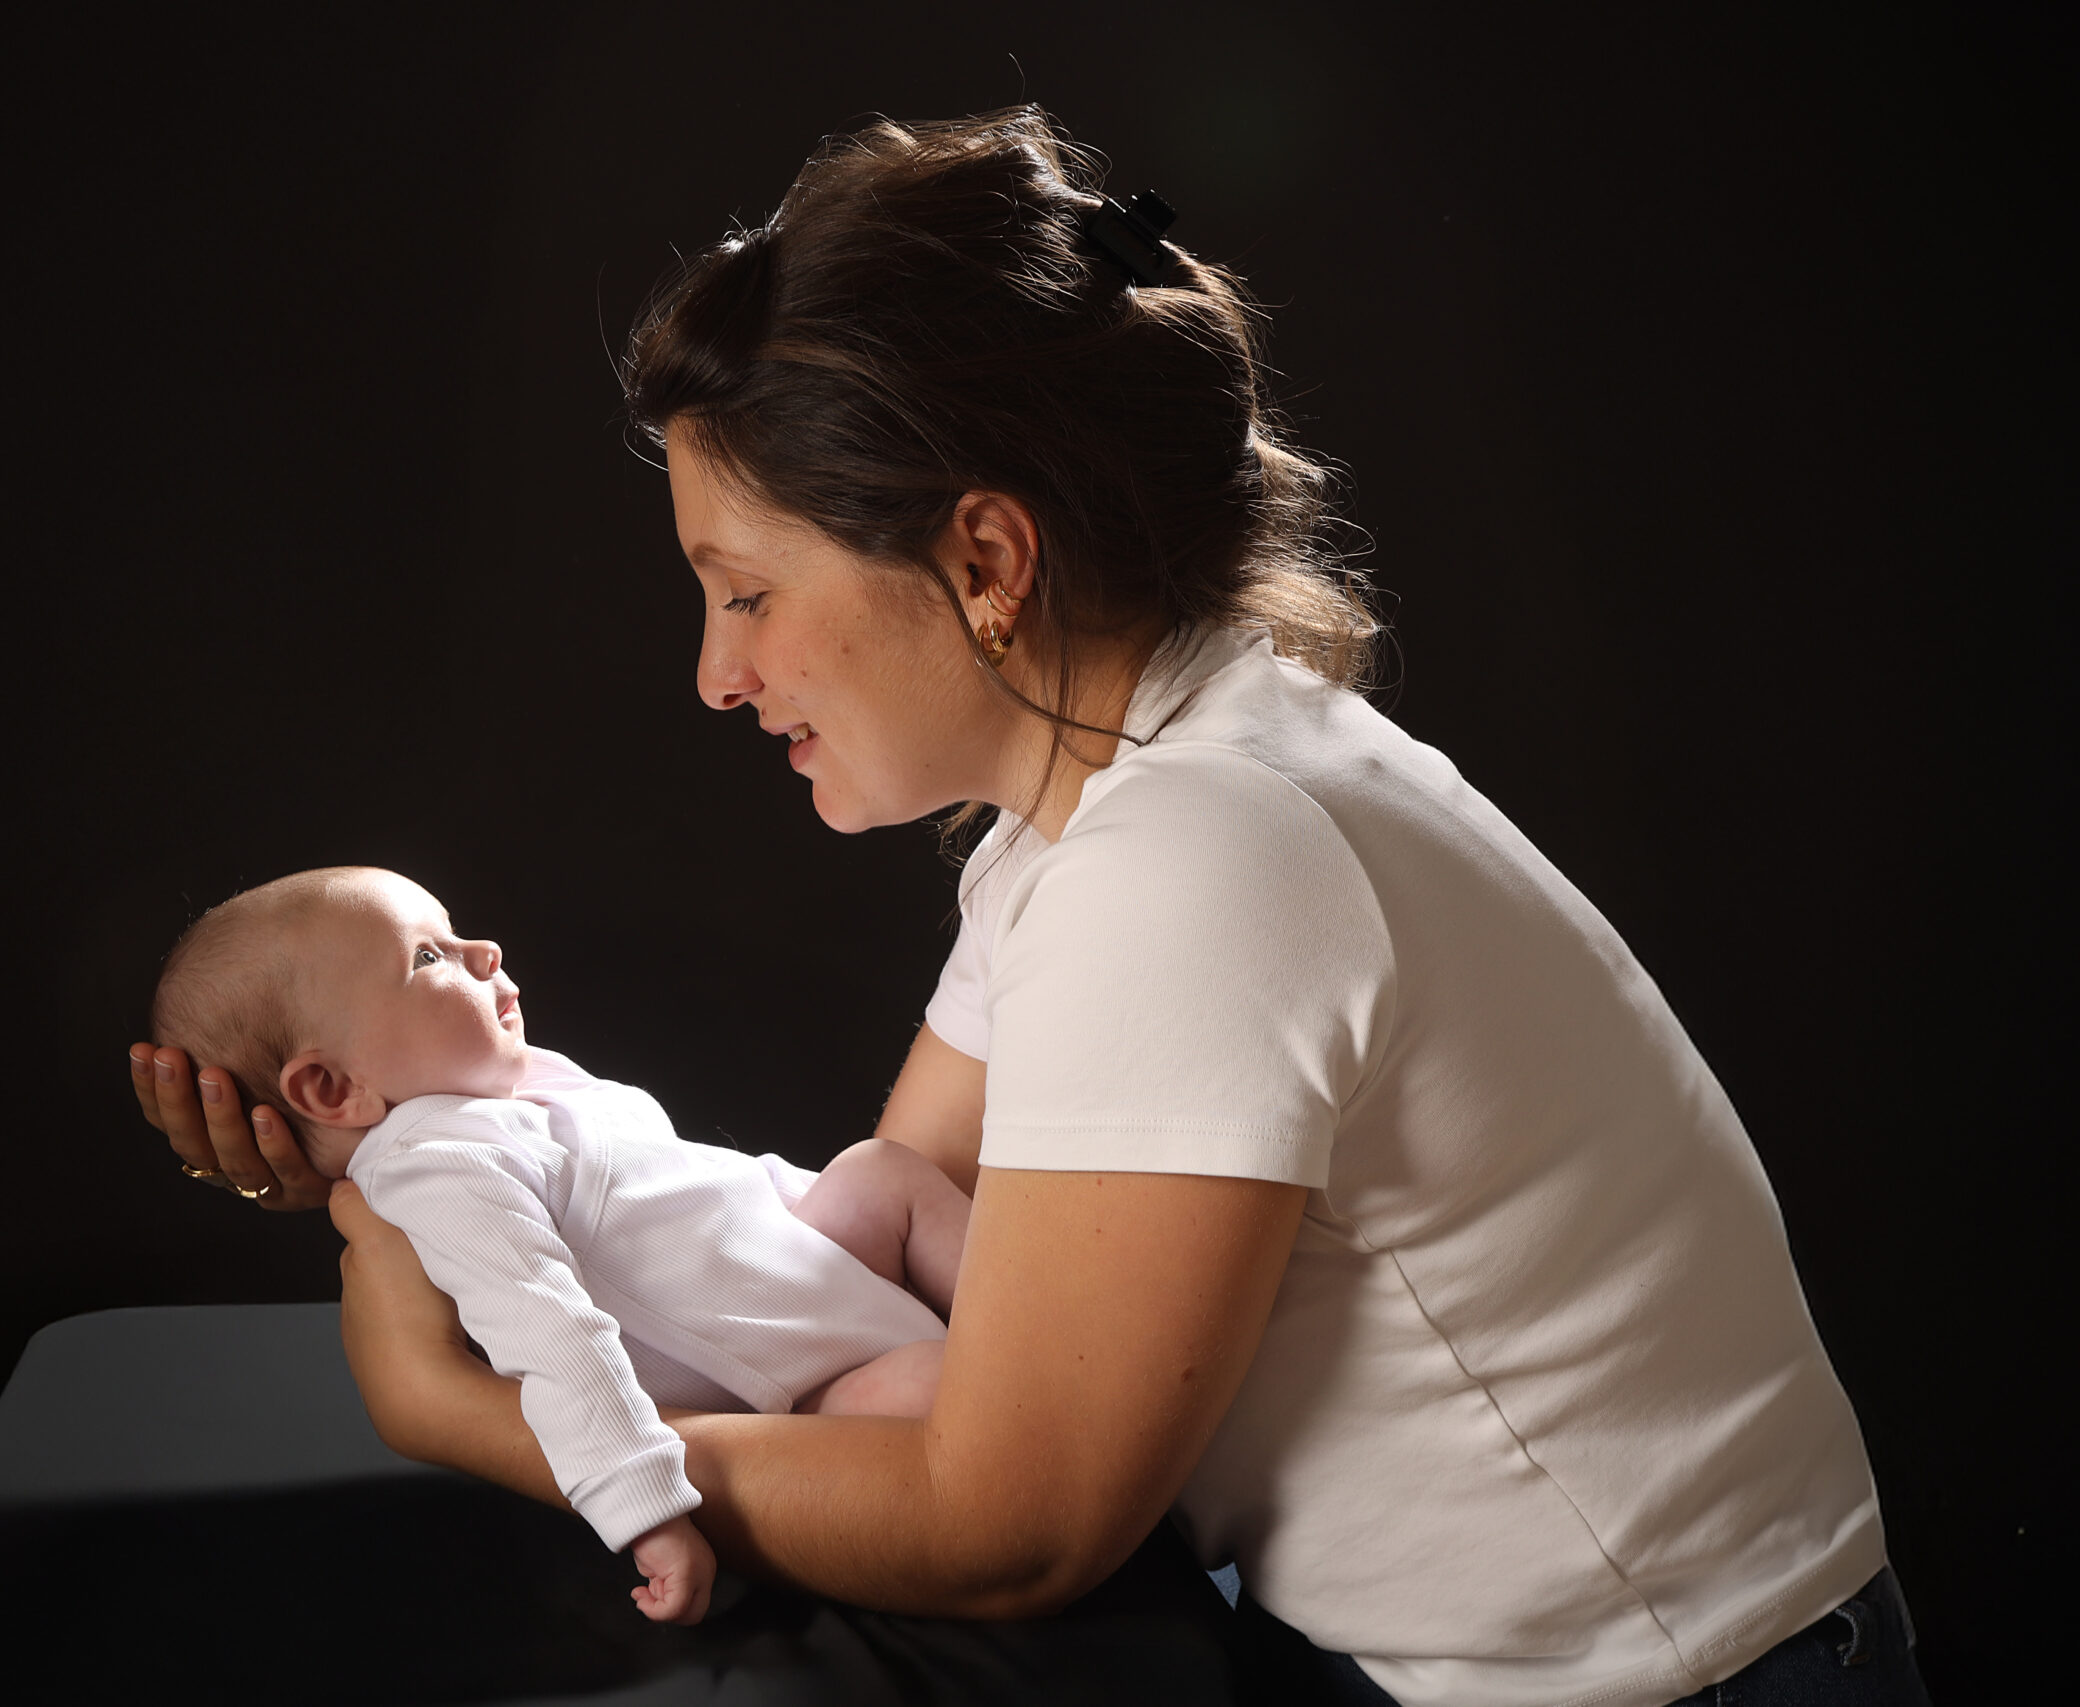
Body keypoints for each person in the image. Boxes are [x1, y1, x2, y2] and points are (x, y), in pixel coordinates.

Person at [132, 107, 1931, 1706]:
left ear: (984, 560)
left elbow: (1006, 1520)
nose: (714, 673)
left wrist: (479, 1414)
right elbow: (859, 1263)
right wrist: (422, 1155)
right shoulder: (1099, 818)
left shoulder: (1202, 860)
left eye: (745, 593)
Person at [146, 864, 965, 1624]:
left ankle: (1053, 1309)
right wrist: (647, 1511)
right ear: (332, 1087)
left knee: (877, 1170)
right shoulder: (440, 1171)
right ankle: (1052, 1359)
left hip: (814, 1264)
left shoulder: (498, 1091)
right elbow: (554, 1337)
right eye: (429, 955)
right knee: (948, 1385)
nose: (484, 950)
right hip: (811, 1380)